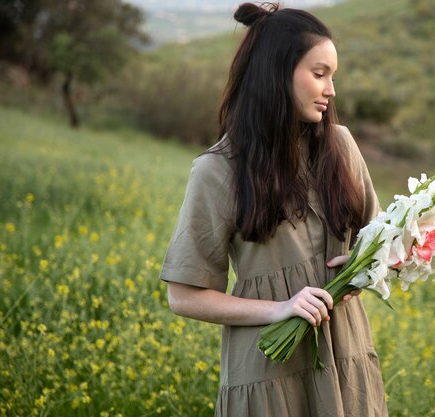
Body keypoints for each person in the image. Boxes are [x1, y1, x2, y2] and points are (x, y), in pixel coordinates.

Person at [160, 3, 388, 416]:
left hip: (346, 361)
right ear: (277, 73)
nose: (331, 89)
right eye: (319, 74)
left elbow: (383, 244)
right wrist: (280, 308)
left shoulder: (342, 147)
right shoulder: (217, 170)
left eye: (332, 77)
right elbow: (183, 295)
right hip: (268, 376)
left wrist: (366, 267)